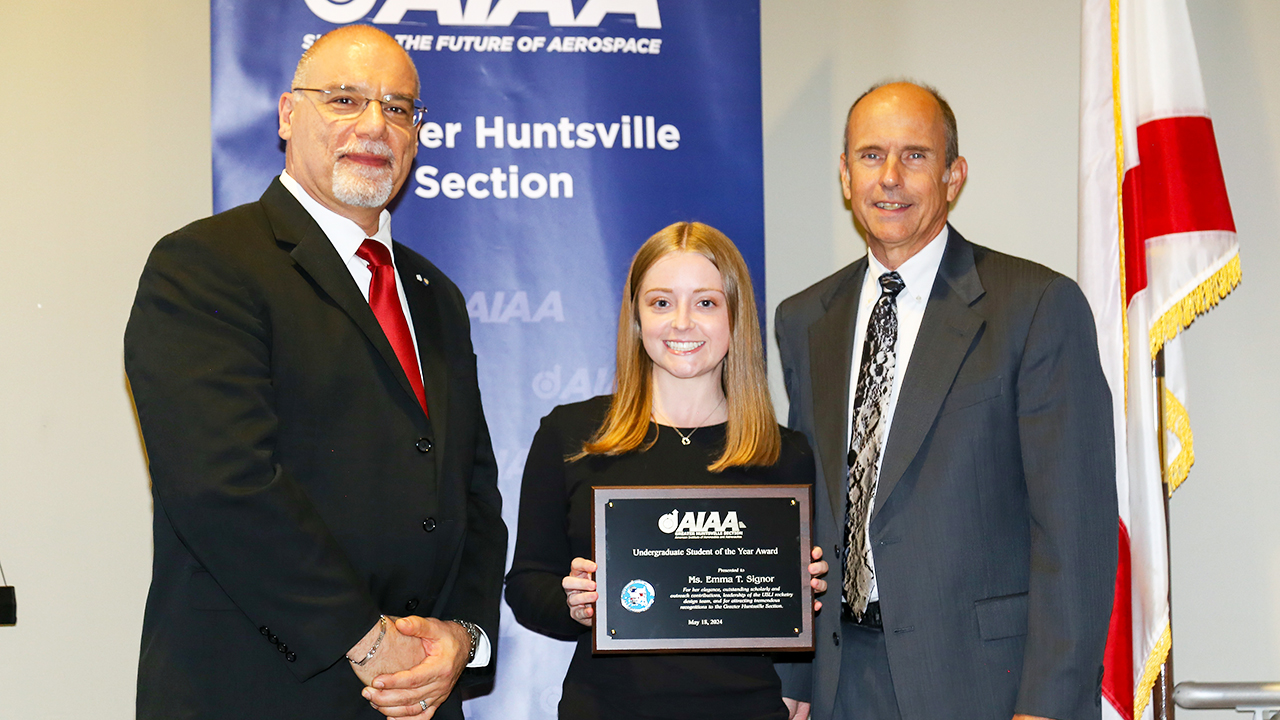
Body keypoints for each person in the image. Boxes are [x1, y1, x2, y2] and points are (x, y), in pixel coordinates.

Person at [124, 25, 506, 720]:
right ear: (286, 114)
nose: (373, 126)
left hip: (416, 699)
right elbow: (223, 483)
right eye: (343, 99)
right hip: (255, 691)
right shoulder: (206, 263)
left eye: (398, 108)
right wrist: (362, 641)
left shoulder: (436, 295)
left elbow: (473, 492)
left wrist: (463, 637)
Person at [773, 81, 1118, 720]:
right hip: (839, 684)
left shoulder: (1036, 307)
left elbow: (1076, 531)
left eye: (916, 156)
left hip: (985, 686)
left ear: (954, 176)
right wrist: (793, 675)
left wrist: (1047, 703)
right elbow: (809, 516)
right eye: (871, 157)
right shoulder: (804, 320)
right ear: (845, 176)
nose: (891, 178)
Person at [505, 222, 828, 720]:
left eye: (705, 302)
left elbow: (796, 625)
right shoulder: (571, 435)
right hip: (607, 709)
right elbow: (527, 585)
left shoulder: (786, 453)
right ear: (636, 317)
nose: (681, 322)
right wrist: (576, 604)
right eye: (660, 302)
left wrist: (803, 591)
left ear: (734, 316)